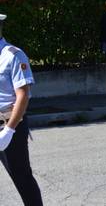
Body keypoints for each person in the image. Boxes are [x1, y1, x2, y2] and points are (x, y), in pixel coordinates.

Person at [0, 13, 44, 206]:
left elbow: (23, 95)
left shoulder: (13, 55)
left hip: (9, 124)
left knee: (22, 177)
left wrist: (9, 130)